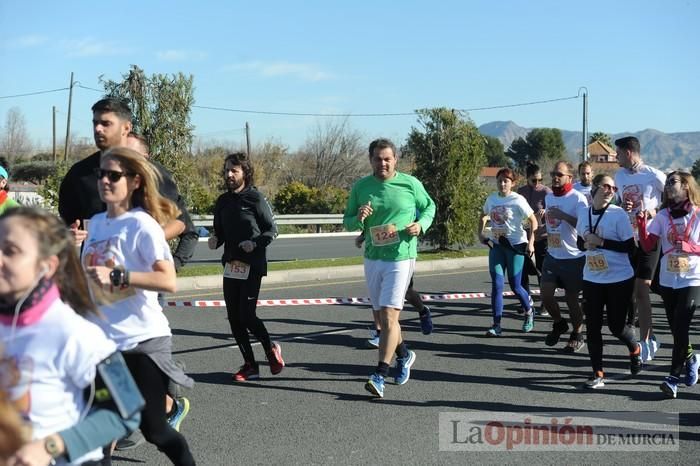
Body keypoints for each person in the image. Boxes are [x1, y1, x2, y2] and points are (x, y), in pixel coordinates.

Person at [58, 98, 192, 449]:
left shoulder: (149, 172)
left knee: (150, 416)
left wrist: (142, 238)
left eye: (105, 123)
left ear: (125, 127)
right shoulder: (78, 176)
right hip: (95, 298)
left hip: (140, 284)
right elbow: (63, 228)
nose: (98, 130)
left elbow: (183, 220)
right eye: (95, 123)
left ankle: (163, 407)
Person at [81, 147, 195, 465]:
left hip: (143, 342)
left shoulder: (141, 225)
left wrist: (118, 275)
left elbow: (168, 279)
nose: (105, 180)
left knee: (156, 431)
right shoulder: (98, 224)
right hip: (107, 345)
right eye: (101, 174)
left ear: (134, 181)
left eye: (114, 175)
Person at [0, 207, 140, 465]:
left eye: (11, 251)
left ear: (47, 265)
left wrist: (51, 446)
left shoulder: (78, 333)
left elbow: (125, 411)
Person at [343, 138, 435, 398]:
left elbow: (429, 207)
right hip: (373, 257)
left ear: (395, 159)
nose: (382, 163)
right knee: (381, 319)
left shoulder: (410, 183)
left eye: (387, 158)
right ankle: (404, 355)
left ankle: (380, 374)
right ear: (370, 160)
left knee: (389, 316)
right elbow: (347, 221)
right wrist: (357, 219)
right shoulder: (361, 187)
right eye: (377, 158)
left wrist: (421, 225)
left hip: (401, 256)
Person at [208, 152, 284, 382]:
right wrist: (215, 240)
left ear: (245, 173)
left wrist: (255, 243)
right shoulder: (222, 201)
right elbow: (220, 232)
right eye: (227, 170)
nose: (229, 174)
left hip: (252, 264)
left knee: (247, 315)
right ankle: (250, 364)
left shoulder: (256, 199)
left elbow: (272, 230)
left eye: (235, 170)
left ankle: (270, 348)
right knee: (233, 317)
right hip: (231, 265)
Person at [637, 171, 700, 399]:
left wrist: (690, 247)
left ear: (686, 185)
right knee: (677, 330)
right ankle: (692, 357)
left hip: (693, 277)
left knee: (681, 327)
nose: (668, 185)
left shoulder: (698, 214)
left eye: (672, 181)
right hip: (668, 278)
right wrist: (642, 223)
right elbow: (647, 245)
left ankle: (672, 378)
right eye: (668, 182)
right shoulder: (663, 215)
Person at [575, 175, 641, 389]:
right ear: (595, 188)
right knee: (592, 327)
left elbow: (630, 248)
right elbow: (579, 242)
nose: (611, 190)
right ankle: (597, 373)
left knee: (616, 326)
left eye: (614, 187)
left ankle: (635, 347)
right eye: (606, 186)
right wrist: (586, 245)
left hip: (619, 279)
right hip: (592, 277)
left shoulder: (618, 214)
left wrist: (601, 242)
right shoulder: (584, 213)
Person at [614, 136, 666, 361]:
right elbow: (619, 202)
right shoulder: (619, 176)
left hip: (650, 238)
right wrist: (622, 205)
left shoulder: (654, 175)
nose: (615, 157)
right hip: (629, 238)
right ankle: (651, 337)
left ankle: (646, 342)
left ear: (628, 152)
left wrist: (653, 212)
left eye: (617, 153)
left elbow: (672, 200)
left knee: (642, 289)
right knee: (635, 291)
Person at [126, 132, 199, 272]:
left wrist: (174, 263)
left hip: (146, 272)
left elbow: (183, 226)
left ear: (145, 158)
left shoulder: (159, 178)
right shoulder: (107, 177)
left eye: (131, 155)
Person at [479, 167, 538, 336]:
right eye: (500, 181)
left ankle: (529, 311)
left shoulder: (518, 200)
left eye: (506, 181)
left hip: (516, 247)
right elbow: (483, 216)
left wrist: (531, 242)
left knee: (515, 286)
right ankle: (496, 325)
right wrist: (480, 234)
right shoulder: (492, 199)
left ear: (512, 183)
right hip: (497, 246)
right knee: (497, 286)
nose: (502, 184)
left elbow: (533, 221)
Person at [355, 232, 434, 348]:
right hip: (378, 254)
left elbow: (416, 216)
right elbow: (377, 220)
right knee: (377, 295)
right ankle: (380, 333)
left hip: (400, 255)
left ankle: (423, 311)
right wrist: (363, 235)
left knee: (407, 292)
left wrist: (418, 226)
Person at [542, 160, 589, 352]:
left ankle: (577, 334)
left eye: (559, 175)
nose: (555, 177)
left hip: (573, 257)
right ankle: (559, 323)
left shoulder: (577, 198)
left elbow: (584, 225)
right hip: (552, 255)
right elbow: (551, 225)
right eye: (553, 174)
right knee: (546, 296)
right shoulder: (549, 197)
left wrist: (563, 216)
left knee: (571, 300)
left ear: (569, 177)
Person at [516, 162, 551, 315]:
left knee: (542, 271)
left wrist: (546, 212)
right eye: (533, 180)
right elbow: (519, 215)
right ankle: (526, 302)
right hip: (524, 236)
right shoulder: (520, 192)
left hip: (542, 237)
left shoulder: (546, 192)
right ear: (527, 178)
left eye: (539, 180)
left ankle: (545, 302)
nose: (537, 183)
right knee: (523, 270)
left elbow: (554, 212)